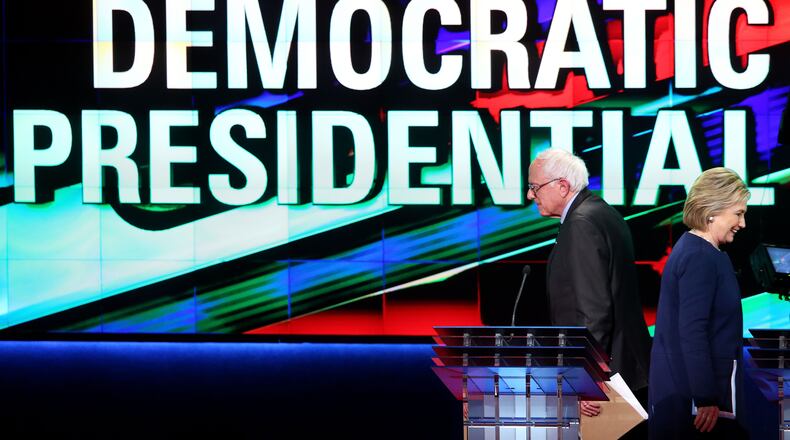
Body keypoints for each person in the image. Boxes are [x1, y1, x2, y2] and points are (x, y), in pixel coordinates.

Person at [527, 148, 652, 417]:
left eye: (534, 187)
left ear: (562, 186)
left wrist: (586, 377)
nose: (530, 195)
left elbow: (593, 311)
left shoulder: (580, 223)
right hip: (629, 371)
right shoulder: (603, 213)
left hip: (608, 381)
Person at [648, 168, 750, 439]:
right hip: (695, 406)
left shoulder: (703, 252)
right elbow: (692, 330)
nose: (742, 223)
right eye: (738, 213)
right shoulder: (699, 257)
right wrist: (705, 396)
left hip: (698, 400)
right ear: (712, 211)